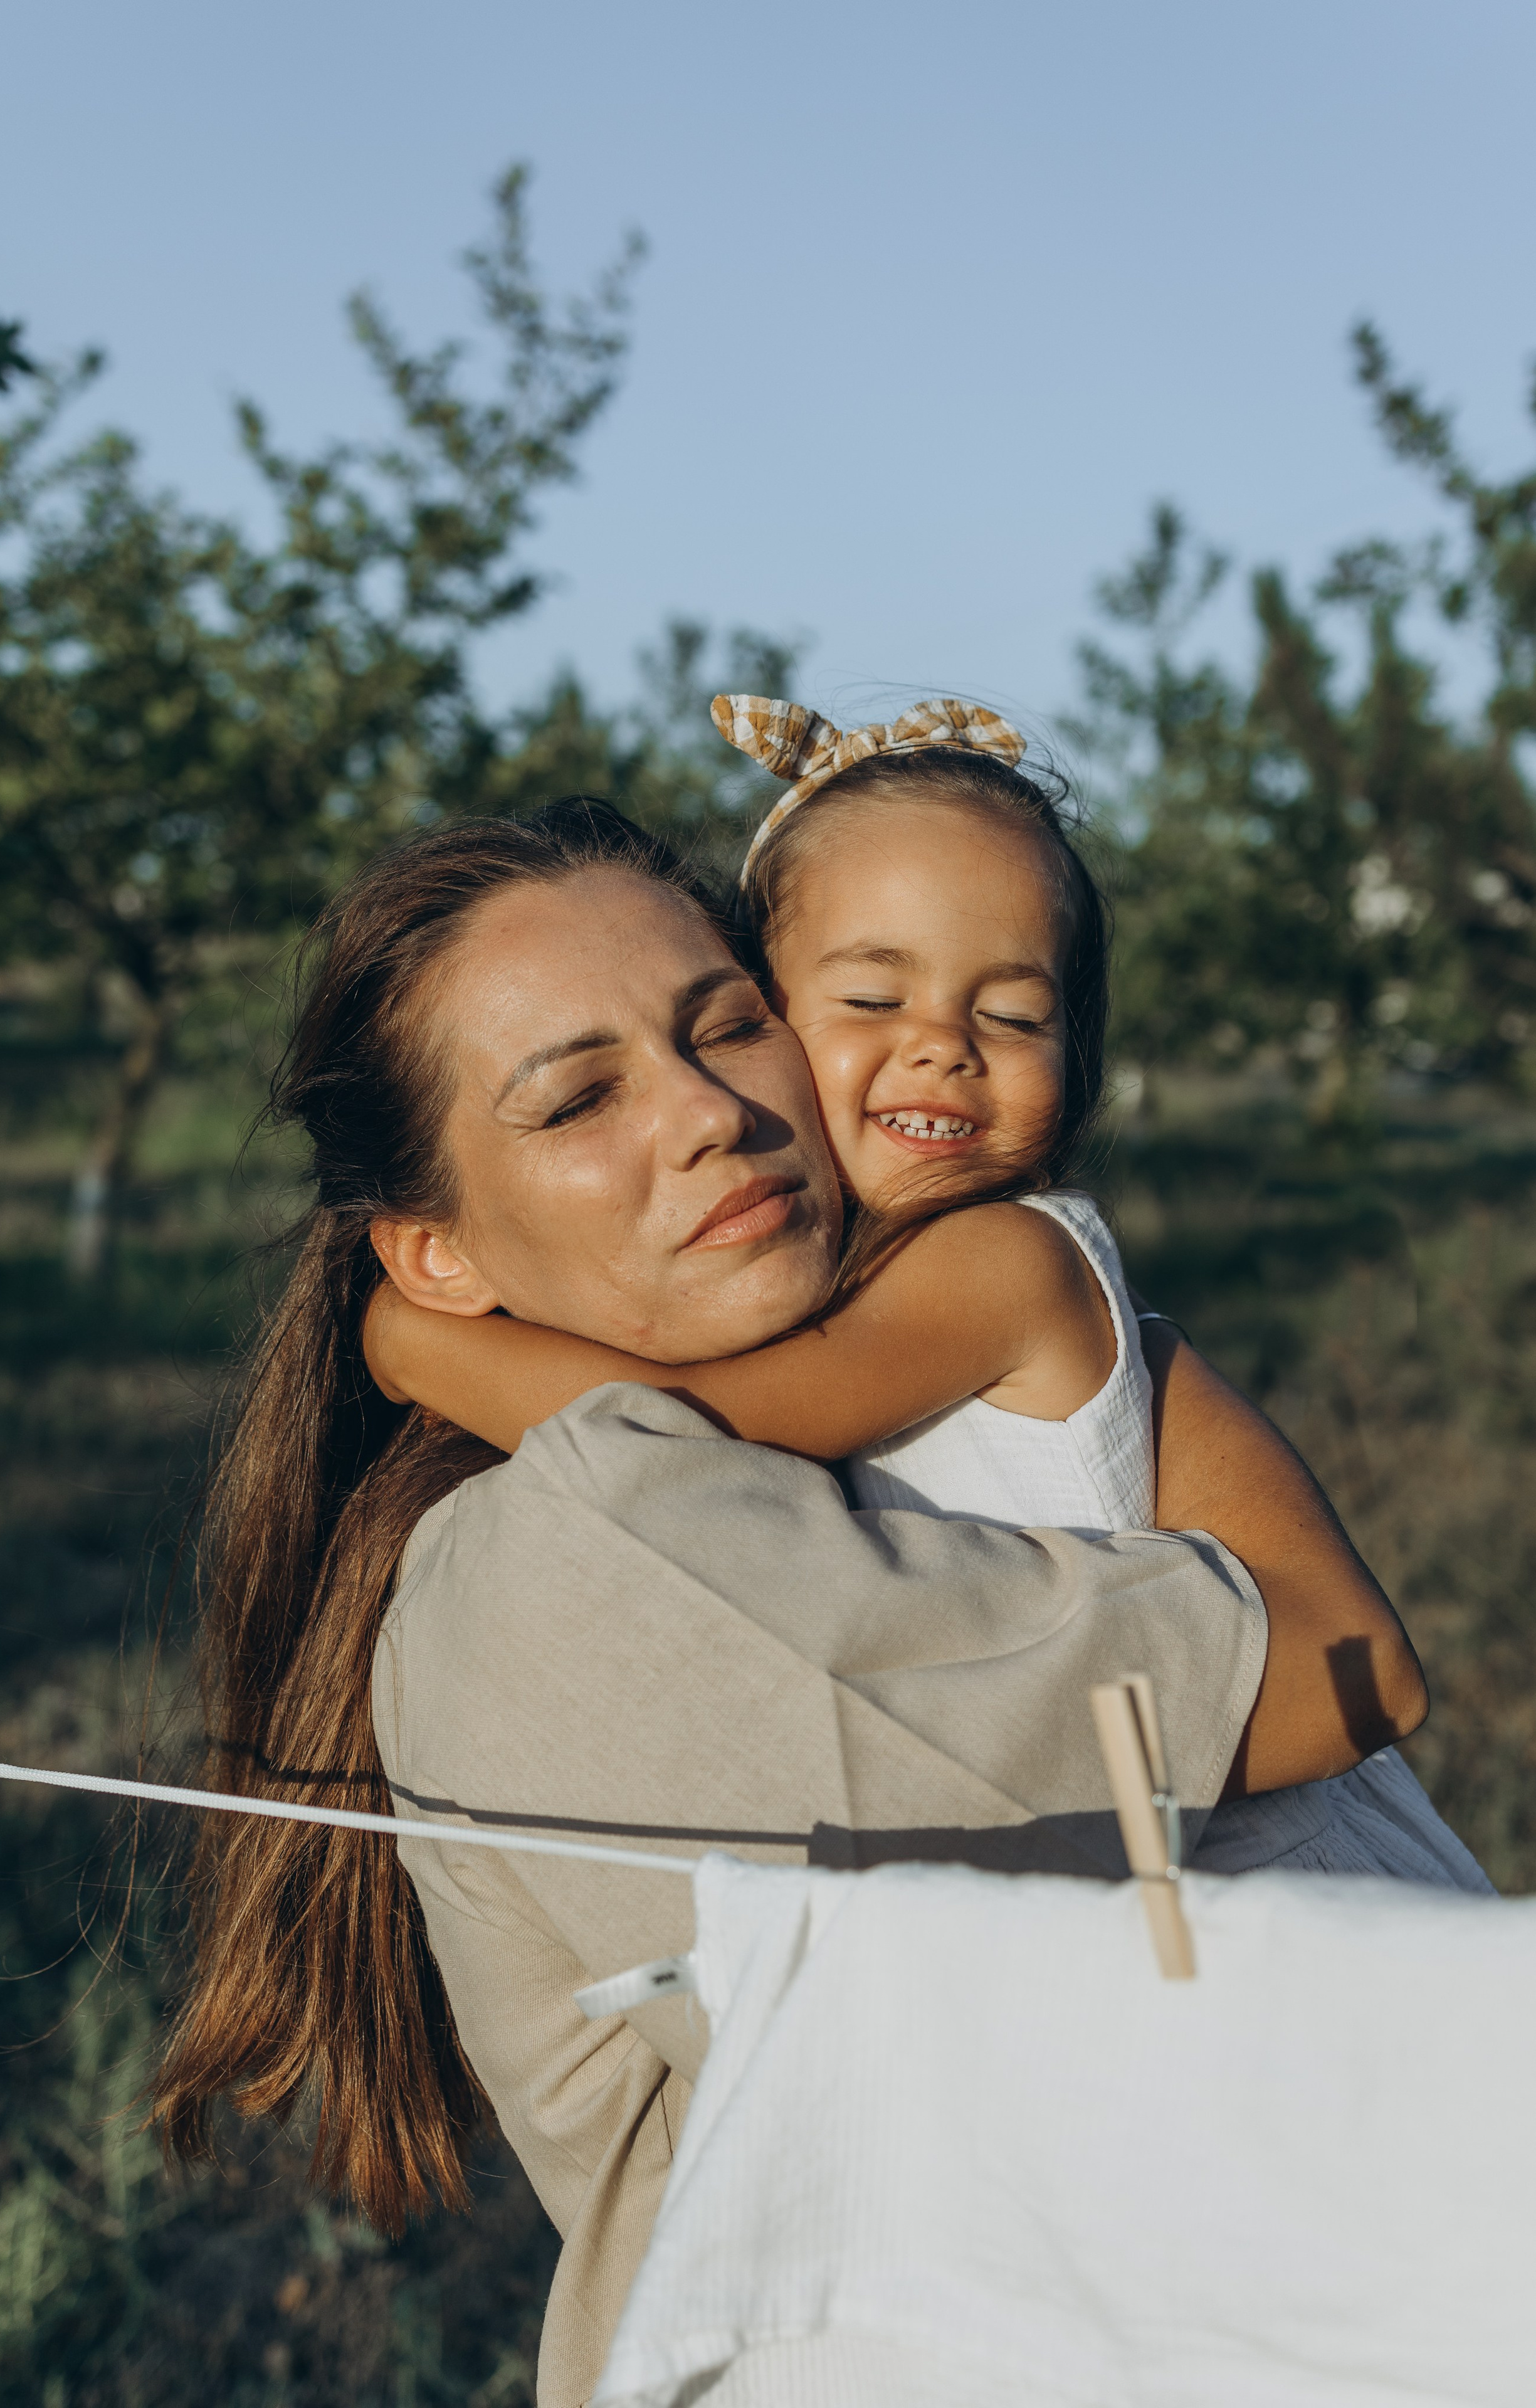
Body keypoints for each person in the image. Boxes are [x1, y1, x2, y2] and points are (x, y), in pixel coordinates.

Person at [150, 801, 1426, 2408]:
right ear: (433, 1251)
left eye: (726, 1025)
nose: (707, 1115)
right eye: (576, 1099)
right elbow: (1329, 1674)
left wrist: (421, 1349)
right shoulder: (562, 1551)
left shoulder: (919, 1317)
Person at [366, 699, 1472, 1886]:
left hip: (1293, 1896)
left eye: (1012, 1014)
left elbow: (692, 1425)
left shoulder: (997, 1261)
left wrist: (412, 1345)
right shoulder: (865, 1294)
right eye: (873, 1000)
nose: (945, 1044)